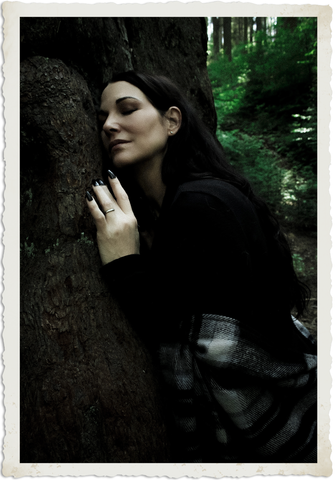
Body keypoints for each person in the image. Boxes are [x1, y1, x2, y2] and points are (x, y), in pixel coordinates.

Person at [86, 71, 317, 463]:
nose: (109, 125)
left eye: (127, 109)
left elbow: (193, 332)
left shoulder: (199, 205)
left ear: (172, 121)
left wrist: (125, 263)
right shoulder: (194, 198)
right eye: (102, 117)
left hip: (274, 427)